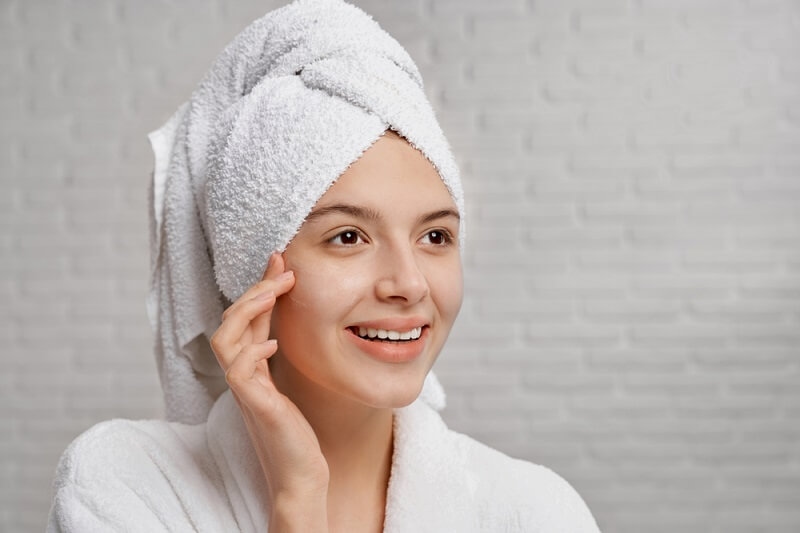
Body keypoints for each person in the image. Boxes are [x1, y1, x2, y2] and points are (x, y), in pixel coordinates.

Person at [48, 1, 601, 531]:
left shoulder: (534, 512)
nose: (409, 284)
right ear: (251, 275)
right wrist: (298, 498)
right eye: (348, 236)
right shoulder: (126, 485)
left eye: (435, 235)